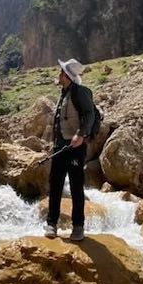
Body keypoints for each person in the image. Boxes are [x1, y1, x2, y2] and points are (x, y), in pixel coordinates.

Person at [44, 58, 95, 241]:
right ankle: (52, 224)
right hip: (60, 147)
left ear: (67, 76)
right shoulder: (64, 93)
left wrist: (80, 135)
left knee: (75, 186)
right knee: (55, 184)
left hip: (75, 148)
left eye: (61, 72)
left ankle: (78, 226)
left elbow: (89, 114)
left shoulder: (79, 93)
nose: (58, 75)